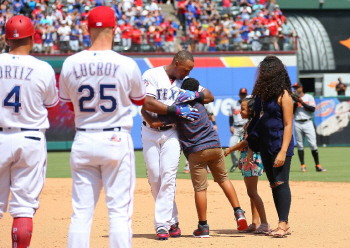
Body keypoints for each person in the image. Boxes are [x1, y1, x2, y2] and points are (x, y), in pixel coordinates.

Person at [59, 6, 146, 248]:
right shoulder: (126, 63)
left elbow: (69, 106)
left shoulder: (70, 63)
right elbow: (140, 100)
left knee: (81, 213)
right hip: (116, 139)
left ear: (87, 29)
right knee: (118, 212)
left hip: (83, 139)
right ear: (115, 29)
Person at [142, 78, 248, 238]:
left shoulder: (178, 109)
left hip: (196, 151)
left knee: (200, 189)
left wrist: (143, 111)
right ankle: (238, 212)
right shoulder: (201, 104)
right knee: (224, 179)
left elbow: (155, 123)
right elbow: (208, 96)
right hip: (215, 146)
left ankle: (203, 227)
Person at [141, 50, 214, 240]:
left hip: (173, 132)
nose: (187, 73)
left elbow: (209, 96)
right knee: (155, 177)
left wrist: (195, 94)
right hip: (150, 132)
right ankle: (172, 219)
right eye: (185, 69)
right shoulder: (152, 75)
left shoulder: (186, 81)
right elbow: (147, 103)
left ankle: (162, 226)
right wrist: (175, 109)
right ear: (175, 63)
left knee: (168, 176)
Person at [0, 15, 59, 248]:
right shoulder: (42, 68)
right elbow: (51, 103)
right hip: (31, 137)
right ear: (33, 38)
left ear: (6, 38)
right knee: (24, 206)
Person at [246, 55, 294, 238]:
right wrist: (251, 147)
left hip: (279, 145)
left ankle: (284, 223)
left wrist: (283, 150)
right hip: (265, 145)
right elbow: (255, 123)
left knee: (281, 183)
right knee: (274, 184)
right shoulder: (260, 96)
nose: (261, 74)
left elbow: (289, 125)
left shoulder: (284, 95)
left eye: (264, 71)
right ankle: (281, 222)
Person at [224, 97, 270, 234]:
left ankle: (264, 223)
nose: (239, 111)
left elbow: (246, 142)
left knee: (252, 192)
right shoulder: (249, 124)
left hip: (252, 160)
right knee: (252, 192)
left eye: (243, 109)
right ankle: (255, 223)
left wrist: (230, 149)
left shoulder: (252, 125)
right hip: (247, 159)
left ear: (251, 110)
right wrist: (240, 159)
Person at [291, 82, 326, 172]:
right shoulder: (293, 99)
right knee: (300, 145)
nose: (296, 89)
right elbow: (292, 112)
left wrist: (302, 102)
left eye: (297, 87)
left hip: (308, 122)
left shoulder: (308, 97)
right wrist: (295, 102)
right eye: (294, 88)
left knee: (313, 144)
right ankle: (303, 165)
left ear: (301, 88)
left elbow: (312, 109)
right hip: (298, 122)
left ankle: (317, 165)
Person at [184, 103, 217, 174]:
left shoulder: (205, 103)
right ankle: (188, 167)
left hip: (204, 127)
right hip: (192, 128)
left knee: (206, 147)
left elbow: (211, 114)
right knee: (190, 147)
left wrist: (214, 124)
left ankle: (208, 167)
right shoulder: (188, 103)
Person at [228, 88, 248, 172]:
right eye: (241, 94)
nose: (243, 95)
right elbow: (231, 116)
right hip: (236, 128)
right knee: (231, 146)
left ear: (246, 95)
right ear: (239, 94)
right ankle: (235, 163)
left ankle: (244, 164)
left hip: (245, 128)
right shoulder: (234, 104)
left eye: (244, 94)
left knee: (246, 147)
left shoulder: (248, 104)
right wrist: (230, 126)